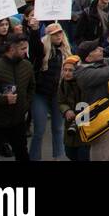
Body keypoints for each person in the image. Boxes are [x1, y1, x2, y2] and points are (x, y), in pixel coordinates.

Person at [72, 29, 109, 162]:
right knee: (102, 157)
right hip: (102, 121)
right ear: (88, 57)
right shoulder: (84, 74)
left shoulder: (102, 62)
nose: (100, 48)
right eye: (96, 49)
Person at [0, 33, 35, 162]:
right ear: (12, 49)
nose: (26, 52)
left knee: (22, 154)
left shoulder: (27, 66)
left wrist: (25, 104)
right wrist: (3, 100)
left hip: (17, 121)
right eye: (23, 49)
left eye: (26, 48)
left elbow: (32, 87)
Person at [29, 21, 70, 161]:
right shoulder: (43, 50)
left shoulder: (66, 51)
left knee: (58, 128)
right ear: (48, 36)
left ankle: (58, 157)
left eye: (60, 32)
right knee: (39, 130)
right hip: (40, 94)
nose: (58, 36)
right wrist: (34, 29)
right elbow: (34, 47)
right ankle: (34, 158)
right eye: (54, 34)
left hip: (58, 95)